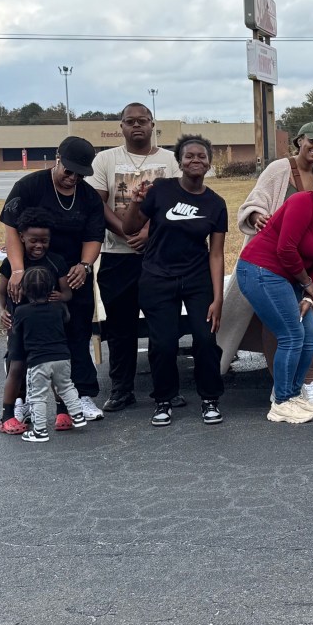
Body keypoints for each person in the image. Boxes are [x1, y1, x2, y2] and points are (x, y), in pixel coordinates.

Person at [218, 122, 313, 410]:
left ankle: (308, 383)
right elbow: (253, 203)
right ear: (299, 141)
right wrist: (257, 216)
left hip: (305, 264)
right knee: (278, 326)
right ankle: (279, 385)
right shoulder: (279, 169)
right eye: (312, 141)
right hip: (274, 262)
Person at [121, 135, 228, 427]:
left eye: (202, 156)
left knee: (205, 339)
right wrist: (135, 204)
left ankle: (210, 399)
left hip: (197, 279)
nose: (196, 160)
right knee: (164, 343)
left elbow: (216, 254)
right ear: (179, 161)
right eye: (189, 156)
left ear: (209, 163)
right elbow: (129, 228)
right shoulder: (160, 190)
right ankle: (164, 400)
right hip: (158, 277)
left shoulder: (216, 203)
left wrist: (218, 298)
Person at [0, 136, 105, 423]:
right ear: (57, 158)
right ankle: (20, 400)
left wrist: (85, 265)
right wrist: (17, 270)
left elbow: (94, 236)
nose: (73, 178)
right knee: (23, 339)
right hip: (31, 274)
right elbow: (11, 229)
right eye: (69, 171)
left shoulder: (89, 198)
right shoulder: (29, 186)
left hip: (71, 274)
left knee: (77, 333)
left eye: (80, 174)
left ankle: (80, 395)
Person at [87, 102, 183, 413]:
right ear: (122, 127)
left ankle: (166, 390)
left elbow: (178, 202)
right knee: (120, 328)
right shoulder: (105, 160)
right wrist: (127, 232)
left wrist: (149, 232)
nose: (137, 125)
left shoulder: (170, 160)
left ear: (153, 124)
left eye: (143, 120)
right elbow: (97, 204)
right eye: (130, 121)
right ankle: (121, 389)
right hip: (117, 256)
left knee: (162, 327)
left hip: (160, 257)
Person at [236, 160, 313, 423]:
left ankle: (294, 394)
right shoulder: (302, 202)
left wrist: (309, 295)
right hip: (259, 270)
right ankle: (281, 401)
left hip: (287, 278)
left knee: (311, 334)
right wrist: (307, 285)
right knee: (291, 334)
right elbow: (285, 249)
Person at [0, 209, 72, 434]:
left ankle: (62, 412)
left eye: (44, 240)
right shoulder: (12, 263)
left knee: (54, 368)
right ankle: (7, 416)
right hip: (19, 325)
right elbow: (0, 294)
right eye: (33, 240)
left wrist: (61, 296)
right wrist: (1, 311)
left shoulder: (56, 261)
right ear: (21, 237)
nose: (39, 245)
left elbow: (67, 293)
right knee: (17, 367)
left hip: (48, 327)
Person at [10, 267, 88, 443]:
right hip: (62, 357)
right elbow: (66, 318)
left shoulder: (21, 311)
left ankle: (39, 431)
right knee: (66, 386)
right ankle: (78, 415)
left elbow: (16, 330)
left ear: (24, 290)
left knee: (37, 395)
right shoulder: (58, 307)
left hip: (38, 360)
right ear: (52, 288)